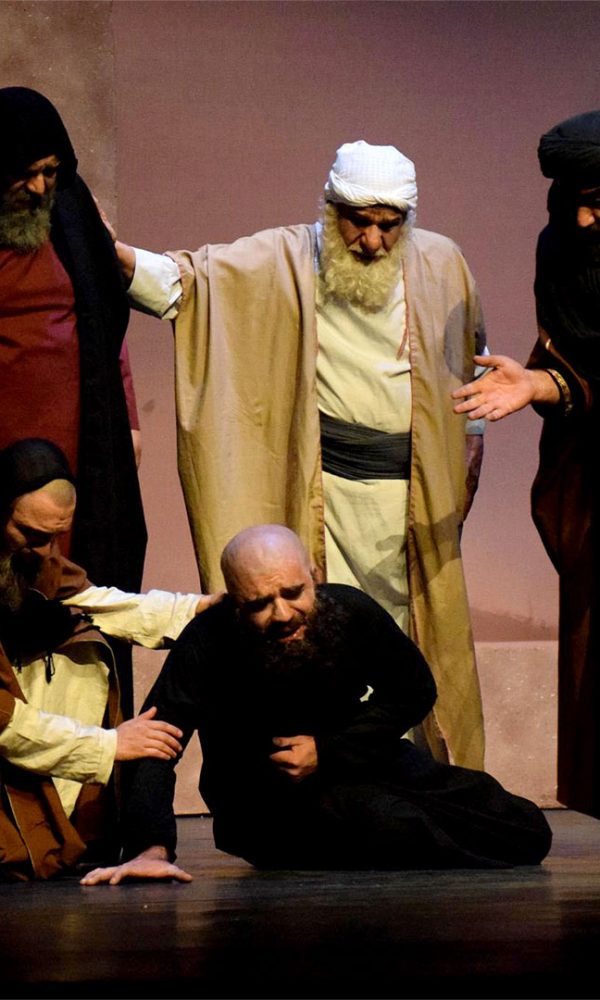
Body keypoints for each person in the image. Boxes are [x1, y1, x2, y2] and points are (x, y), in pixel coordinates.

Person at [115, 139, 487, 769]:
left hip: (411, 494)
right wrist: (113, 254)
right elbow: (187, 286)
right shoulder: (286, 258)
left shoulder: (443, 263)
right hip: (323, 491)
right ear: (331, 208)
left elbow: (469, 362)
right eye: (358, 222)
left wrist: (471, 450)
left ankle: (397, 766)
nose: (372, 241)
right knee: (314, 627)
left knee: (404, 634)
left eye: (389, 225)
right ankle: (309, 766)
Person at [81, 525, 551, 885]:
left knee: (519, 824)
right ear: (235, 602)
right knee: (392, 822)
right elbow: (156, 741)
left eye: (293, 593)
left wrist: (329, 751)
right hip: (265, 802)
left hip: (360, 761)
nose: (282, 614)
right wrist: (151, 848)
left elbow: (413, 690)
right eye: (259, 604)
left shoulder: (349, 610)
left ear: (315, 576)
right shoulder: (207, 640)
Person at [452, 109, 600, 817]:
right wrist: (545, 381)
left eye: (598, 203)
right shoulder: (562, 245)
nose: (584, 220)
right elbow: (569, 357)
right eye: (573, 203)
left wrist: (552, 386)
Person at [0, 438, 215, 880]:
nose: (46, 551)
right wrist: (110, 745)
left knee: (84, 646)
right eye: (32, 535)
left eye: (56, 537)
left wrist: (197, 610)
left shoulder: (30, 561)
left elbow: (100, 603)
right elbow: (4, 723)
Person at [0, 86, 147, 713]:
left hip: (81, 439)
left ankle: (92, 742)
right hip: (5, 449)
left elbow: (105, 322)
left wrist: (128, 418)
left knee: (83, 578)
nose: (39, 188)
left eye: (51, 172)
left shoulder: (71, 212)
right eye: (25, 173)